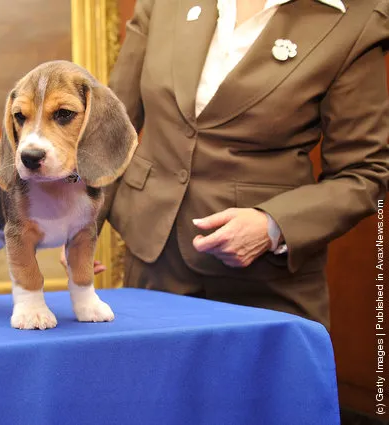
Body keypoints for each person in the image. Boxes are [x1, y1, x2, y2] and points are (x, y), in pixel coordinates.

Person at [62, 0, 388, 329]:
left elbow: (366, 173)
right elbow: (114, 127)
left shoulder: (358, 19)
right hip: (155, 264)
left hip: (263, 281)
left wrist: (273, 225)